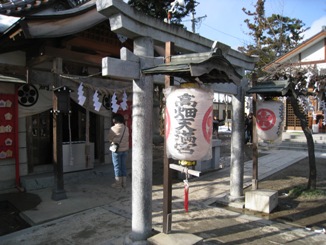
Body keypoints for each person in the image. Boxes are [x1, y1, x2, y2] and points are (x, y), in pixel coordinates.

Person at [108, 113, 129, 188]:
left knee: (117, 167)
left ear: (114, 120)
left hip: (116, 150)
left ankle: (118, 184)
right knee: (123, 166)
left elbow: (110, 139)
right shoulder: (126, 128)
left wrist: (113, 141)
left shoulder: (113, 128)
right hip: (125, 150)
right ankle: (124, 183)